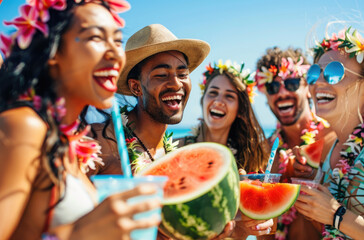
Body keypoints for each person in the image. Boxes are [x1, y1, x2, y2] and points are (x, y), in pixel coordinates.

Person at [0, 1, 163, 239]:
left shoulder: (70, 146)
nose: (114, 53)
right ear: (53, 52)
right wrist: (78, 234)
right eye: (96, 37)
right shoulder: (24, 127)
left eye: (117, 40)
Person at [89, 24, 236, 239]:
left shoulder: (175, 156)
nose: (176, 83)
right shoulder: (99, 142)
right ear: (136, 87)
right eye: (161, 75)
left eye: (182, 73)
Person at [178, 59, 274, 238]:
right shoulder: (176, 149)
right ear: (203, 100)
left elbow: (269, 226)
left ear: (239, 109)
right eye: (213, 93)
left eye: (229, 96)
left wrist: (261, 222)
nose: (219, 101)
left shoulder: (249, 160)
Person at [255, 47, 337, 240]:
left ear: (308, 88)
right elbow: (262, 231)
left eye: (291, 83)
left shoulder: (334, 138)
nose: (282, 93)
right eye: (273, 88)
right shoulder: (265, 152)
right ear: (266, 97)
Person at [294, 26, 364, 239]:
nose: (319, 83)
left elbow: (334, 218)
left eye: (335, 72)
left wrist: (335, 213)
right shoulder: (331, 152)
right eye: (314, 74)